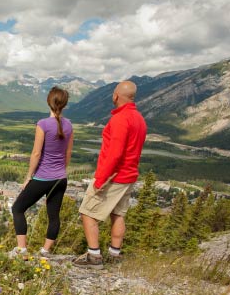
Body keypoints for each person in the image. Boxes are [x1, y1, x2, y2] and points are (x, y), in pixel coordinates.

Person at [73, 80, 147, 269]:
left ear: (116, 96)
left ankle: (94, 256)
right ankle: (115, 254)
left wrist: (100, 179)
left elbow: (115, 153)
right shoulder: (139, 118)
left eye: (113, 94)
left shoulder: (120, 119)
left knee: (87, 212)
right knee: (118, 214)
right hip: (129, 175)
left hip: (114, 176)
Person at [9, 87, 74, 258]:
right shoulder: (69, 125)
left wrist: (28, 177)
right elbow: (67, 154)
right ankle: (45, 251)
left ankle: (22, 250)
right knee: (54, 215)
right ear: (65, 104)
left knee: (17, 208)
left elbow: (36, 153)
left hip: (42, 177)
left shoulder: (43, 124)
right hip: (61, 178)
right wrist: (61, 171)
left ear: (48, 101)